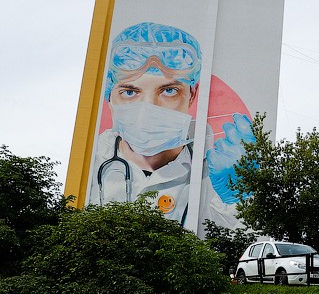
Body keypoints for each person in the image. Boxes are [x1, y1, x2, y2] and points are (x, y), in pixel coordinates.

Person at [90, 21, 252, 231]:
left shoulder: (217, 173)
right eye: (130, 92)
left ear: (192, 95)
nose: (148, 108)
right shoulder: (93, 162)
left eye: (168, 91)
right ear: (109, 97)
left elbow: (242, 246)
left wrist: (236, 197)